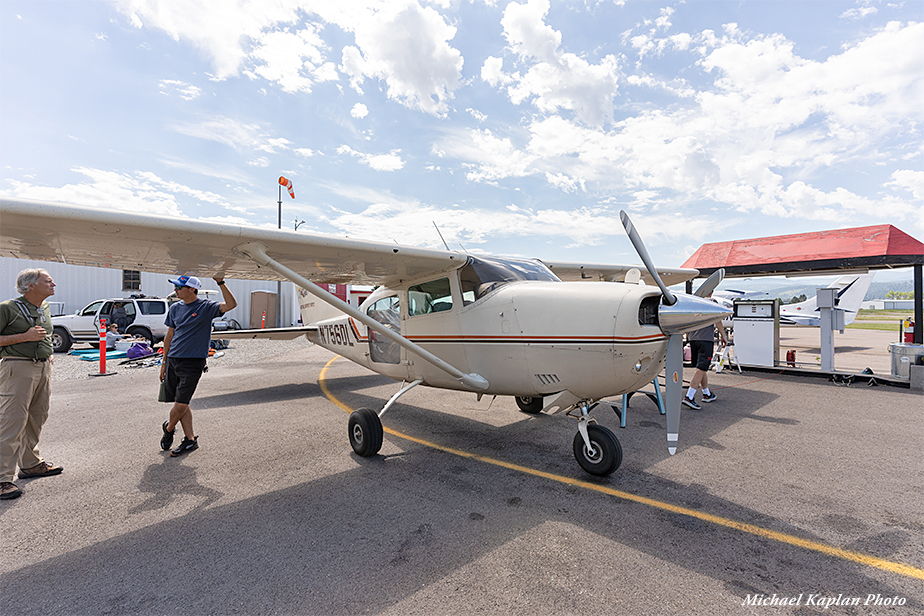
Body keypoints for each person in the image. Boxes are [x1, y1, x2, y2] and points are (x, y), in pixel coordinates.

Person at [0, 269, 63, 500]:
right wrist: (23, 338)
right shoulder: (8, 308)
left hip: (42, 366)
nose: (53, 283)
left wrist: (48, 352)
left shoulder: (43, 308)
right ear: (31, 286)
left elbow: (45, 334)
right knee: (12, 421)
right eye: (48, 281)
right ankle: (2, 479)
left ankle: (30, 463)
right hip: (17, 367)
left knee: (37, 416)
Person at [159, 275, 236, 457]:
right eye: (176, 286)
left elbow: (231, 304)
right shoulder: (175, 308)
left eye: (179, 287)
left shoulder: (206, 307)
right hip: (173, 359)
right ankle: (190, 440)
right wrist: (163, 362)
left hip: (193, 362)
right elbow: (169, 336)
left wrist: (220, 282)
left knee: (181, 403)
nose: (176, 290)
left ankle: (168, 429)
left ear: (192, 289)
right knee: (181, 403)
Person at [682, 296, 729, 411]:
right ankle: (689, 396)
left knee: (701, 368)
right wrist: (723, 336)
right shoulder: (711, 302)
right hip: (705, 340)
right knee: (702, 368)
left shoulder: (694, 303)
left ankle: (707, 394)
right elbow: (717, 320)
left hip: (693, 339)